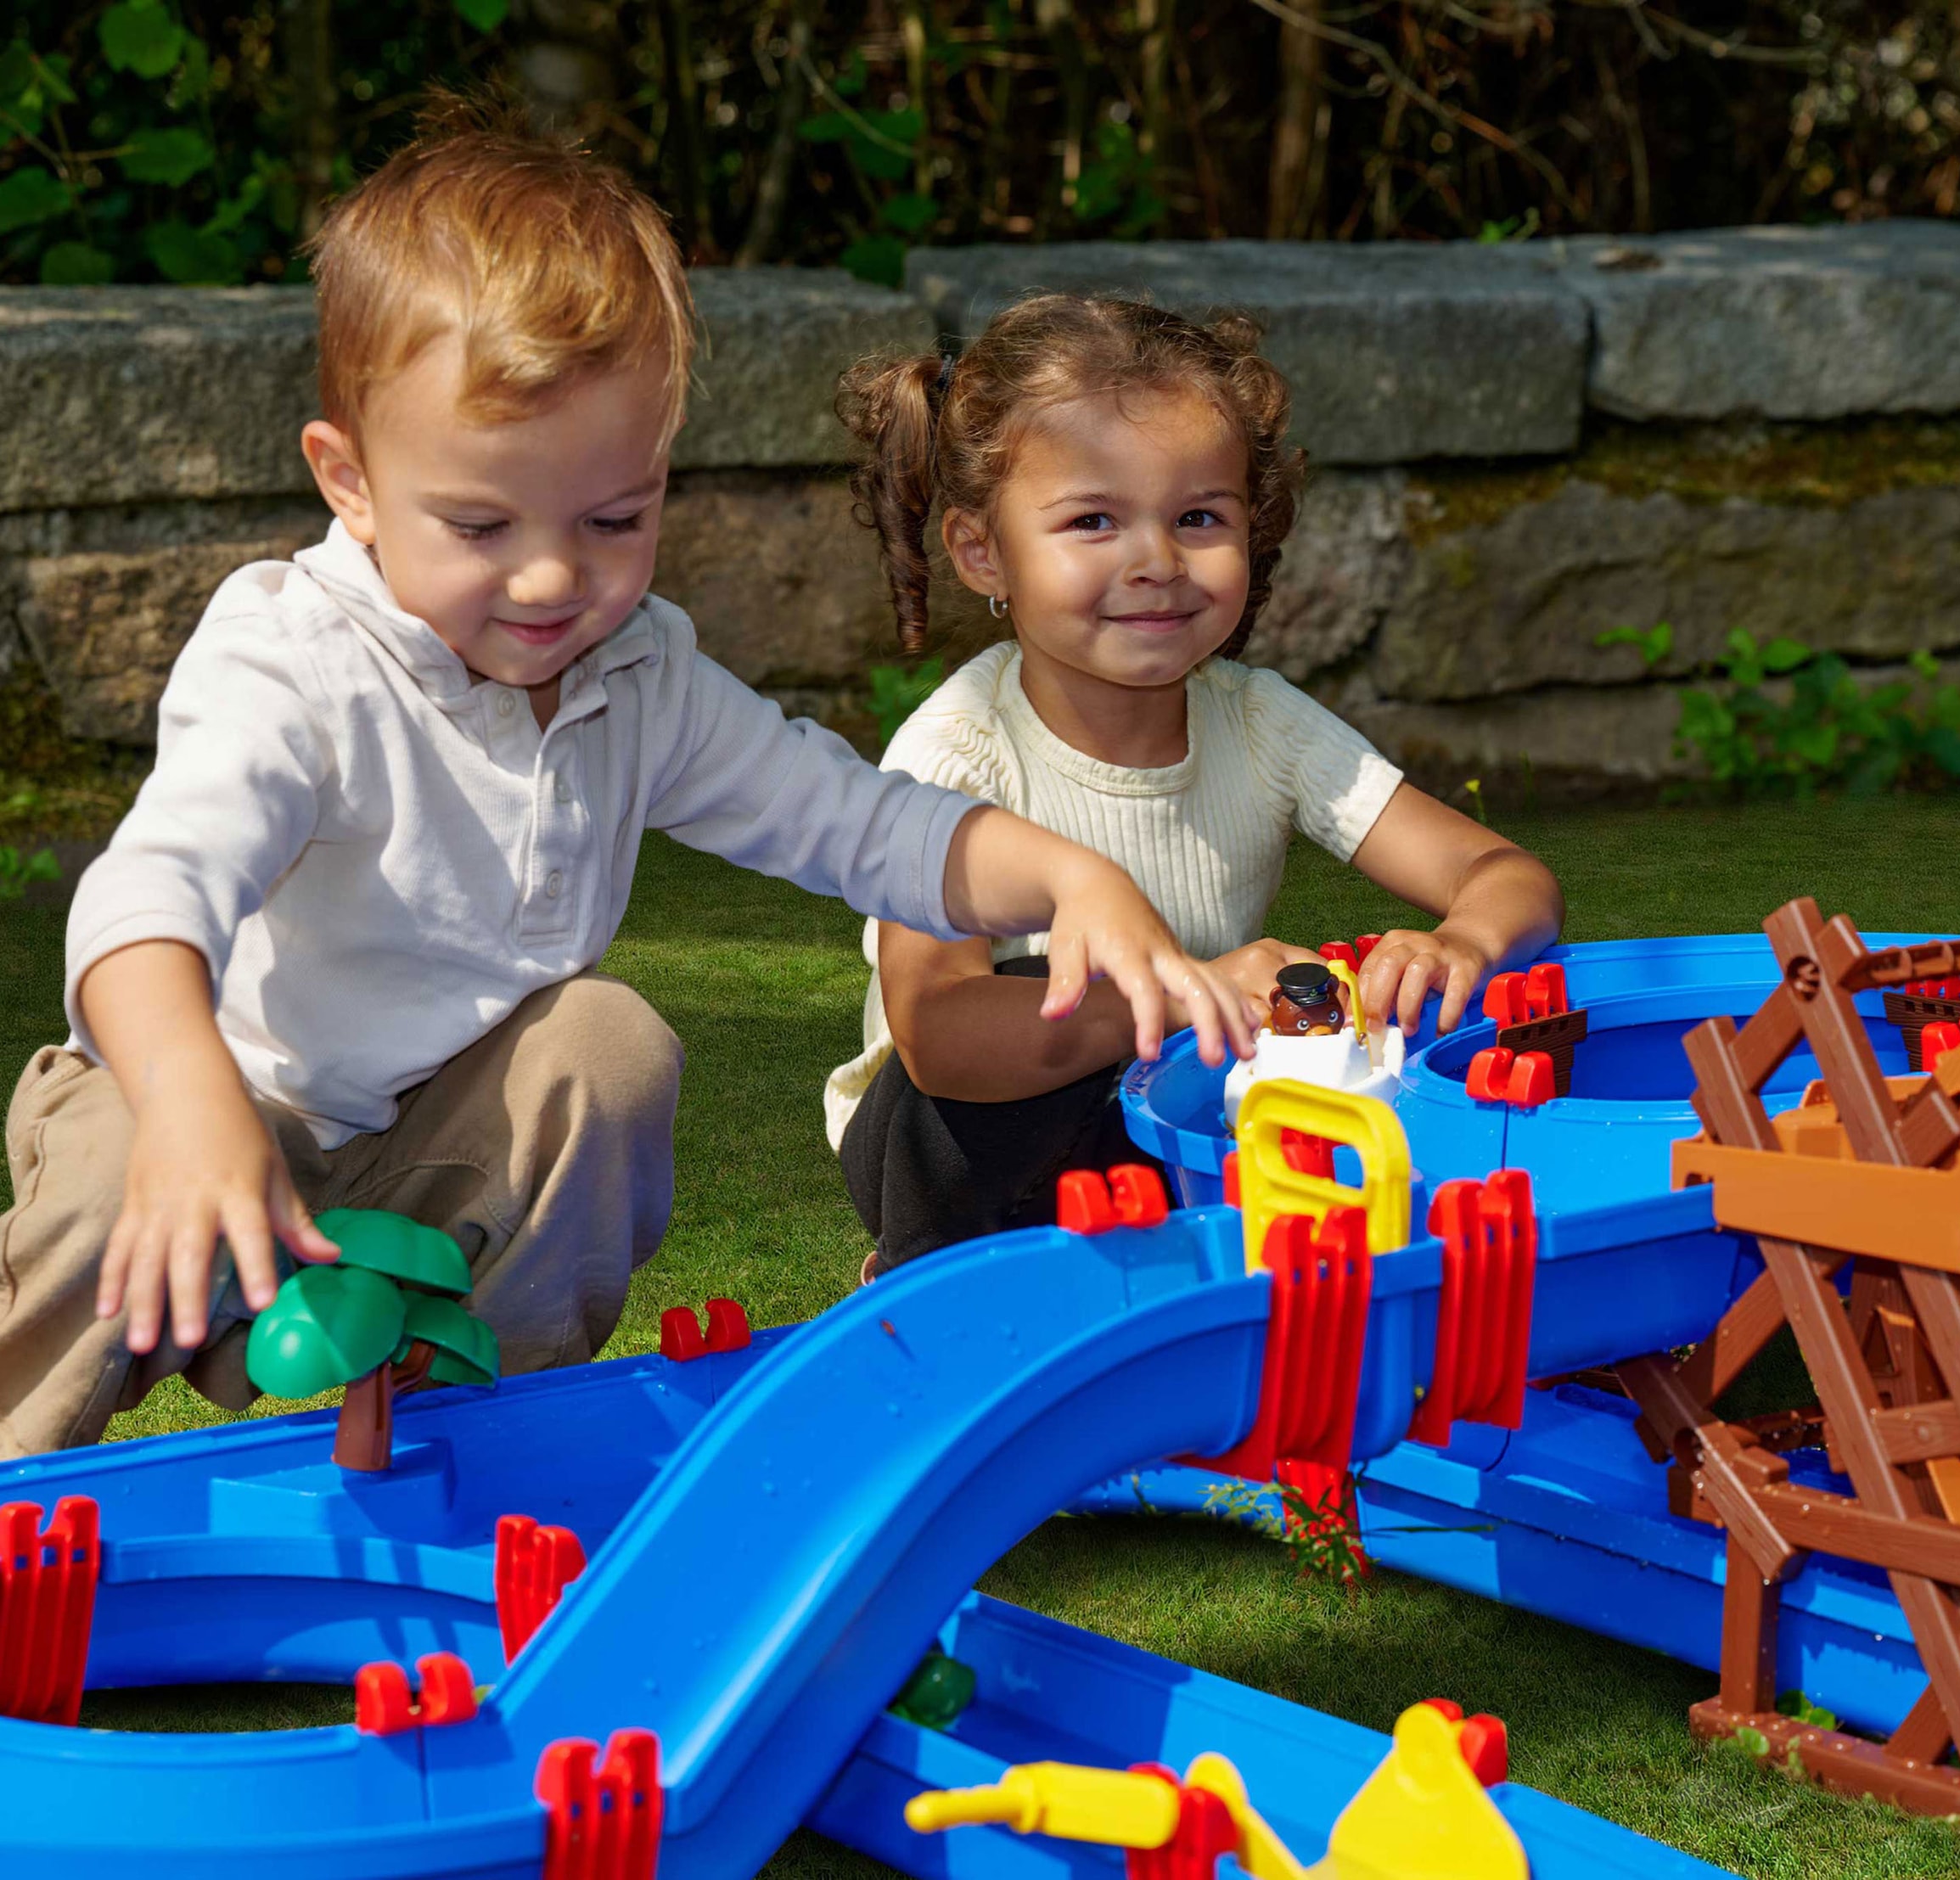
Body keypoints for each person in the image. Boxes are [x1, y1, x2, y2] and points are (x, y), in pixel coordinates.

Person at [0, 109, 1256, 1461]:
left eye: (615, 518)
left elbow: (858, 822)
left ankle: (489, 1439)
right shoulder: (289, 658)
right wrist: (191, 1100)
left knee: (604, 1045)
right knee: (109, 1149)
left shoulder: (637, 669)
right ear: (349, 481)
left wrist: (1074, 874)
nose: (555, 579)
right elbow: (144, 899)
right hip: (199, 1092)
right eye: (481, 524)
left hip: (426, 1139)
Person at [827, 295, 1564, 1279]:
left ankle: (1322, 1266)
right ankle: (929, 1290)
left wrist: (1461, 941)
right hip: (958, 1150)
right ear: (981, 551)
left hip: (1173, 1108)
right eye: (1093, 520)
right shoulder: (960, 752)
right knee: (1033, 992)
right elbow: (940, 1038)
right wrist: (1189, 992)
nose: (1157, 562)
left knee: (1421, 1023)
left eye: (1197, 517)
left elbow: (1507, 874)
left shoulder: (1260, 721)